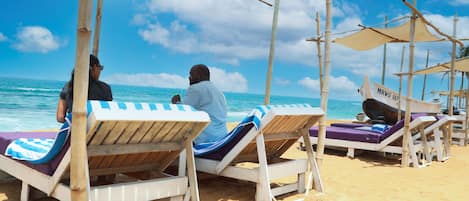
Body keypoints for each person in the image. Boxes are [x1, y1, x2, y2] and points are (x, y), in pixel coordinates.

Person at [171, 64, 228, 144]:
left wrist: (175, 102)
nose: (189, 78)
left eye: (191, 75)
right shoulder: (219, 92)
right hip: (221, 140)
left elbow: (183, 111)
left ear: (199, 75)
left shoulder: (196, 88)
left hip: (204, 141)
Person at [56, 54, 113, 123]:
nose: (100, 71)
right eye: (100, 68)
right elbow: (108, 114)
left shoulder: (68, 86)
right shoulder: (105, 88)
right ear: (94, 67)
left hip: (75, 131)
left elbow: (60, 117)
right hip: (96, 131)